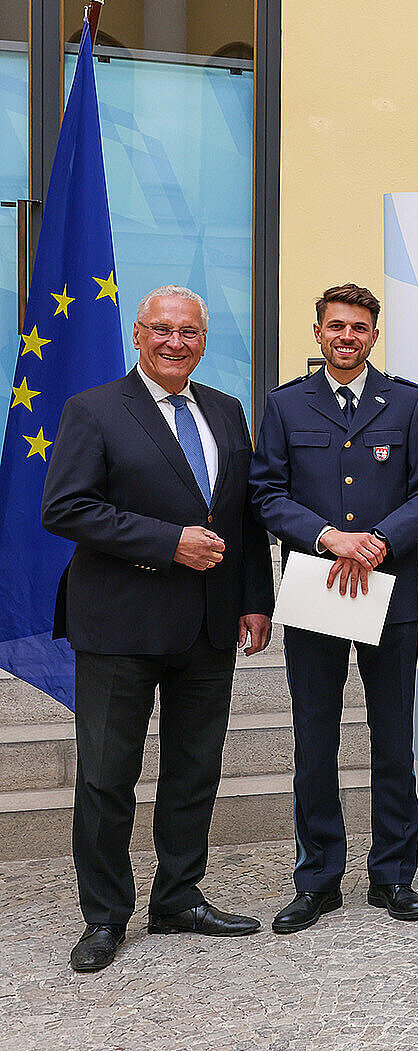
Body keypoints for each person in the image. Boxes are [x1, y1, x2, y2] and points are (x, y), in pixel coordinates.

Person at [40, 285, 274, 973]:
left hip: (209, 624)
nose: (176, 342)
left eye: (189, 332)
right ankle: (104, 915)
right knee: (107, 776)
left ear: (203, 339)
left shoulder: (226, 410)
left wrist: (254, 599)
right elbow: (66, 507)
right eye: (162, 330)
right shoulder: (93, 409)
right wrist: (169, 542)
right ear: (138, 335)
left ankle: (178, 896)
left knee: (194, 771)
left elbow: (241, 516)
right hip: (120, 623)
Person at [250, 283, 418, 932]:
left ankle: (393, 875)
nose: (347, 336)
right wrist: (328, 537)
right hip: (318, 587)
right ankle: (318, 879)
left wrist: (380, 540)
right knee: (315, 738)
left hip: (390, 593)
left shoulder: (409, 403)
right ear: (318, 332)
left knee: (393, 738)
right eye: (336, 326)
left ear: (373, 336)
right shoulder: (284, 404)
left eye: (359, 327)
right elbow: (266, 493)